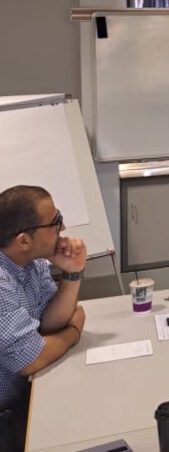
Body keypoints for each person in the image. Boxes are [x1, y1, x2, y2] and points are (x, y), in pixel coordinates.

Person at [0, 186, 86, 451]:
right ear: (24, 241)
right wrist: (73, 332)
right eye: (55, 222)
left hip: (24, 399)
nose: (63, 228)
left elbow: (50, 324)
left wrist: (72, 273)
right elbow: (30, 359)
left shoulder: (32, 262)